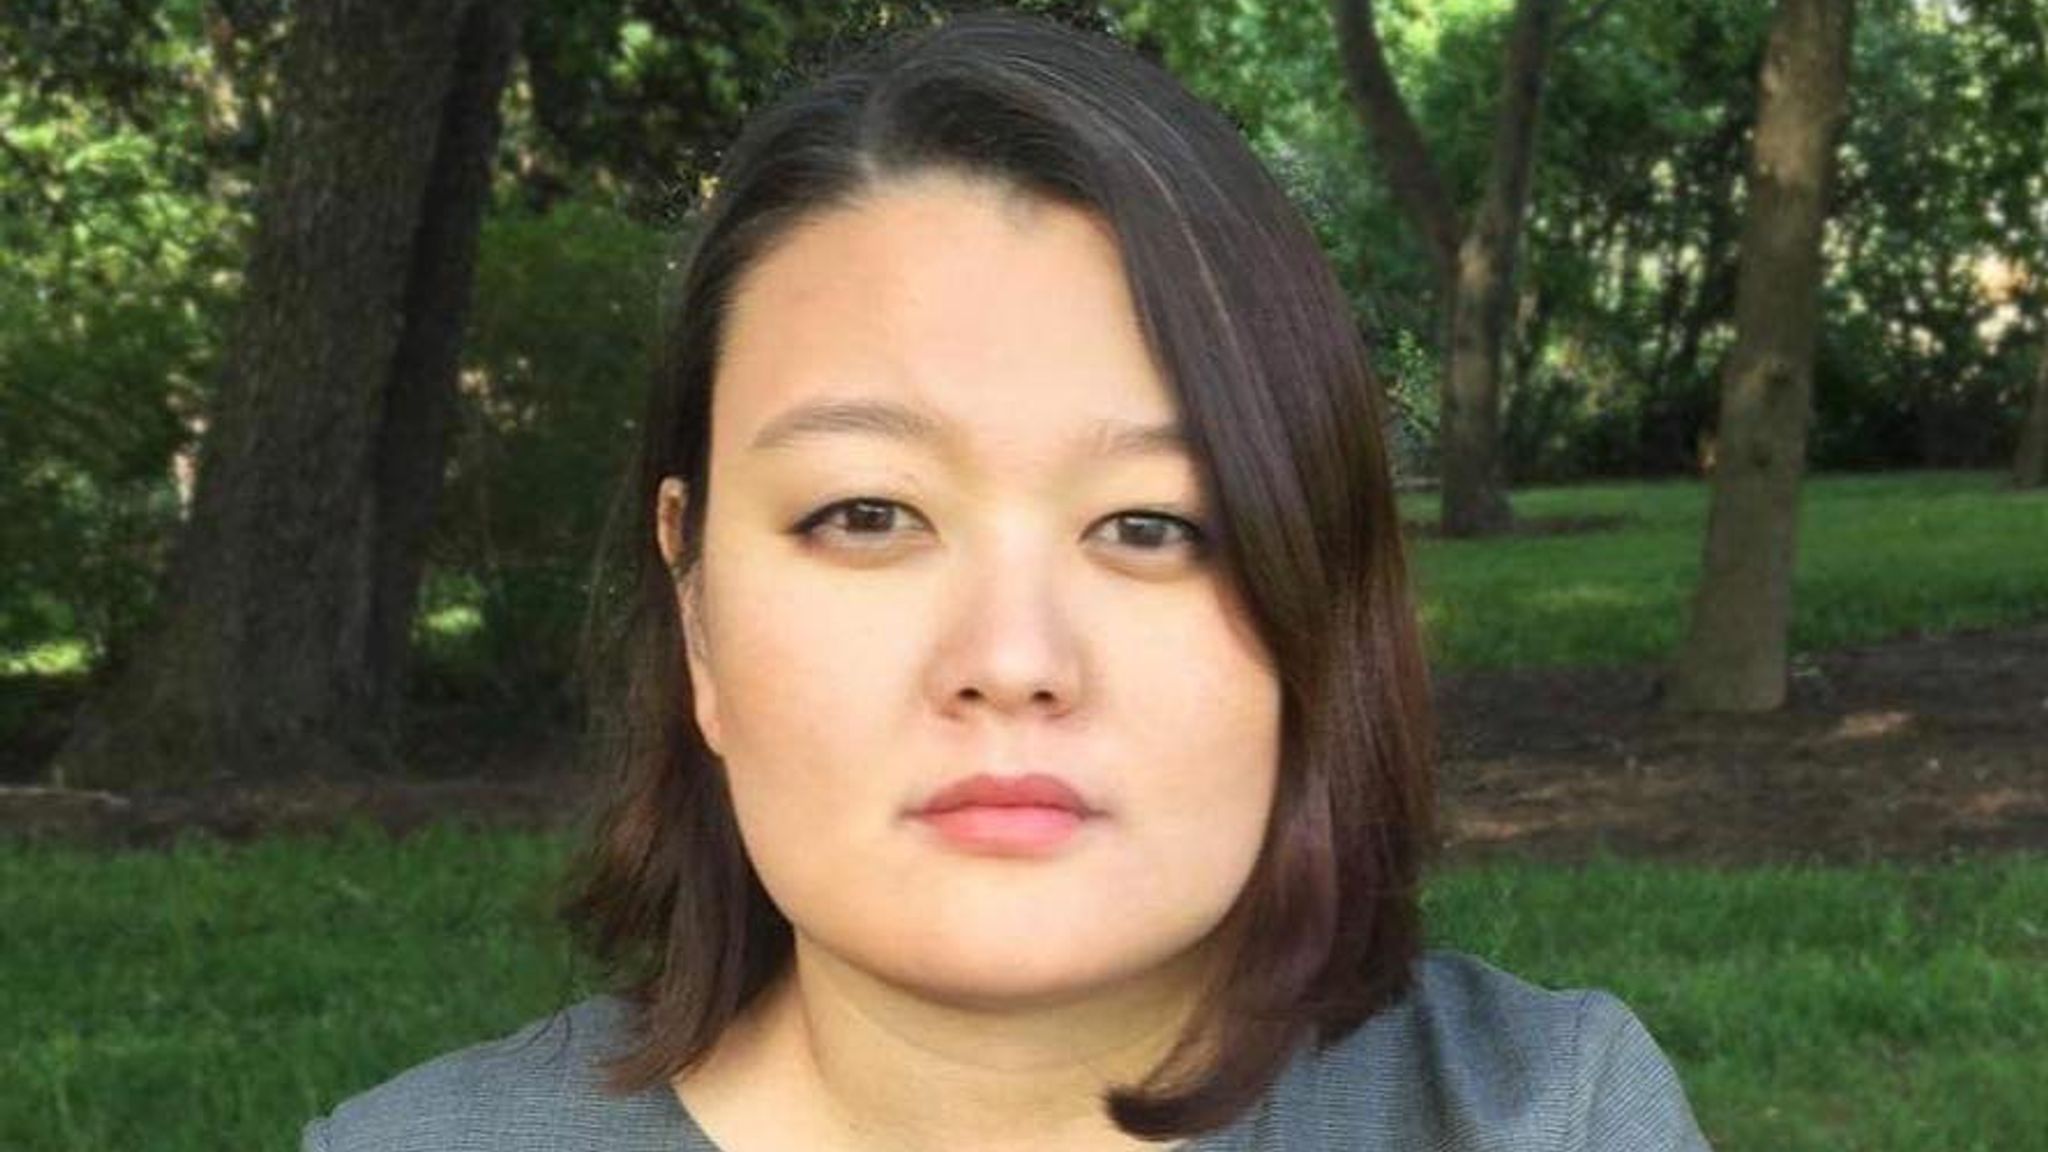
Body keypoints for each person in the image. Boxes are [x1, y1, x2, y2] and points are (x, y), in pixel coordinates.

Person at [304, 10, 1711, 1151]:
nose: (1012, 658)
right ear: (696, 612)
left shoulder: (1543, 1122)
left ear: (1319, 601)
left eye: (1152, 525)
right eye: (867, 513)